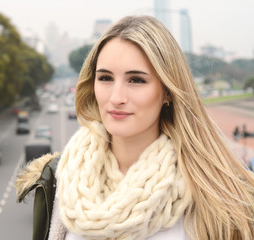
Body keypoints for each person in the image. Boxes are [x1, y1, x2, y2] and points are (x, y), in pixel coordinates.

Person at [15, 15, 254, 240]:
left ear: (168, 91)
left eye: (136, 80)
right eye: (105, 78)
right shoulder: (58, 179)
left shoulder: (222, 198)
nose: (116, 97)